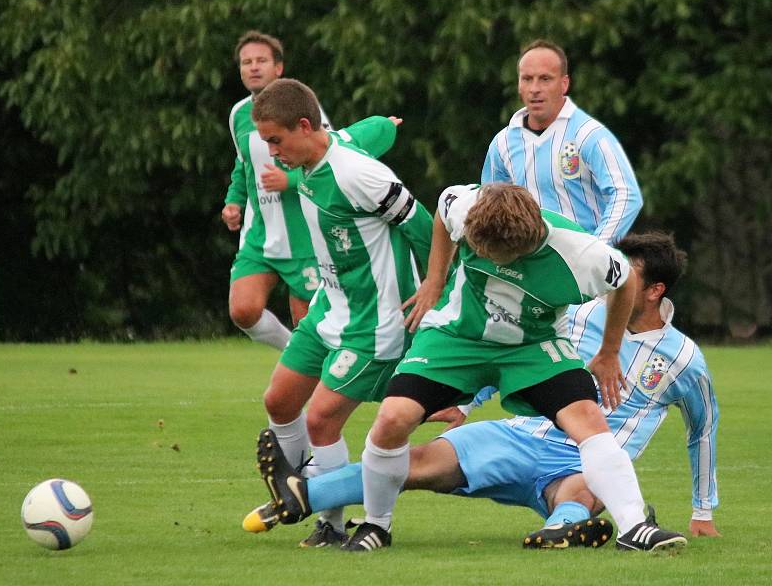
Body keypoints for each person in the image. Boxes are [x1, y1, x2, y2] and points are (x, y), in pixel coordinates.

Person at [248, 232, 714, 550]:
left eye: (629, 281)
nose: (616, 289)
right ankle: (301, 494)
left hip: (580, 460)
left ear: (652, 291)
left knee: (584, 489)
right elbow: (517, 357)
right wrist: (462, 401)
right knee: (416, 463)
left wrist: (702, 511)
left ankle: (560, 530)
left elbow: (703, 431)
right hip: (519, 434)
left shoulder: (684, 359)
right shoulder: (581, 313)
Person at [330, 183, 687, 552]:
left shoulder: (582, 253)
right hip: (458, 336)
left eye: (499, 254)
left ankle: (634, 529)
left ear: (529, 241)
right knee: (392, 418)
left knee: (588, 420)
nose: (488, 257)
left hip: (533, 345)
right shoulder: (466, 206)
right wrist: (435, 280)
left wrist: (609, 351)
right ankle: (376, 525)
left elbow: (625, 282)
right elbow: (441, 210)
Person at [250, 78, 433, 547]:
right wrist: (388, 125)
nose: (272, 154)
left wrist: (435, 289)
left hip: (374, 320)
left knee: (321, 419)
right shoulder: (320, 151)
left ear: (305, 126)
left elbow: (424, 227)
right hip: (329, 306)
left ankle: (329, 521)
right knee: (279, 401)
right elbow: (372, 129)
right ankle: (292, 490)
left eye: (276, 140)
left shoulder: (359, 174)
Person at [221, 31, 331, 350]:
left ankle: (318, 381)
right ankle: (292, 353)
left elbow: (332, 160)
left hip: (304, 236)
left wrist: (290, 181)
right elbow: (243, 165)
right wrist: (233, 202)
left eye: (261, 61)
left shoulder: (304, 109)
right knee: (243, 309)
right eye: (246, 62)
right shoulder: (238, 115)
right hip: (260, 234)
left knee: (309, 324)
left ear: (278, 68)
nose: (253, 67)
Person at [481, 40, 642, 245]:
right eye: (527, 79)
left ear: (564, 84)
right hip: (528, 267)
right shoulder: (502, 143)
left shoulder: (588, 134)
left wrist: (597, 251)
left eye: (545, 79)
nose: (535, 88)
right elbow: (489, 205)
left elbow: (627, 194)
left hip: (583, 266)